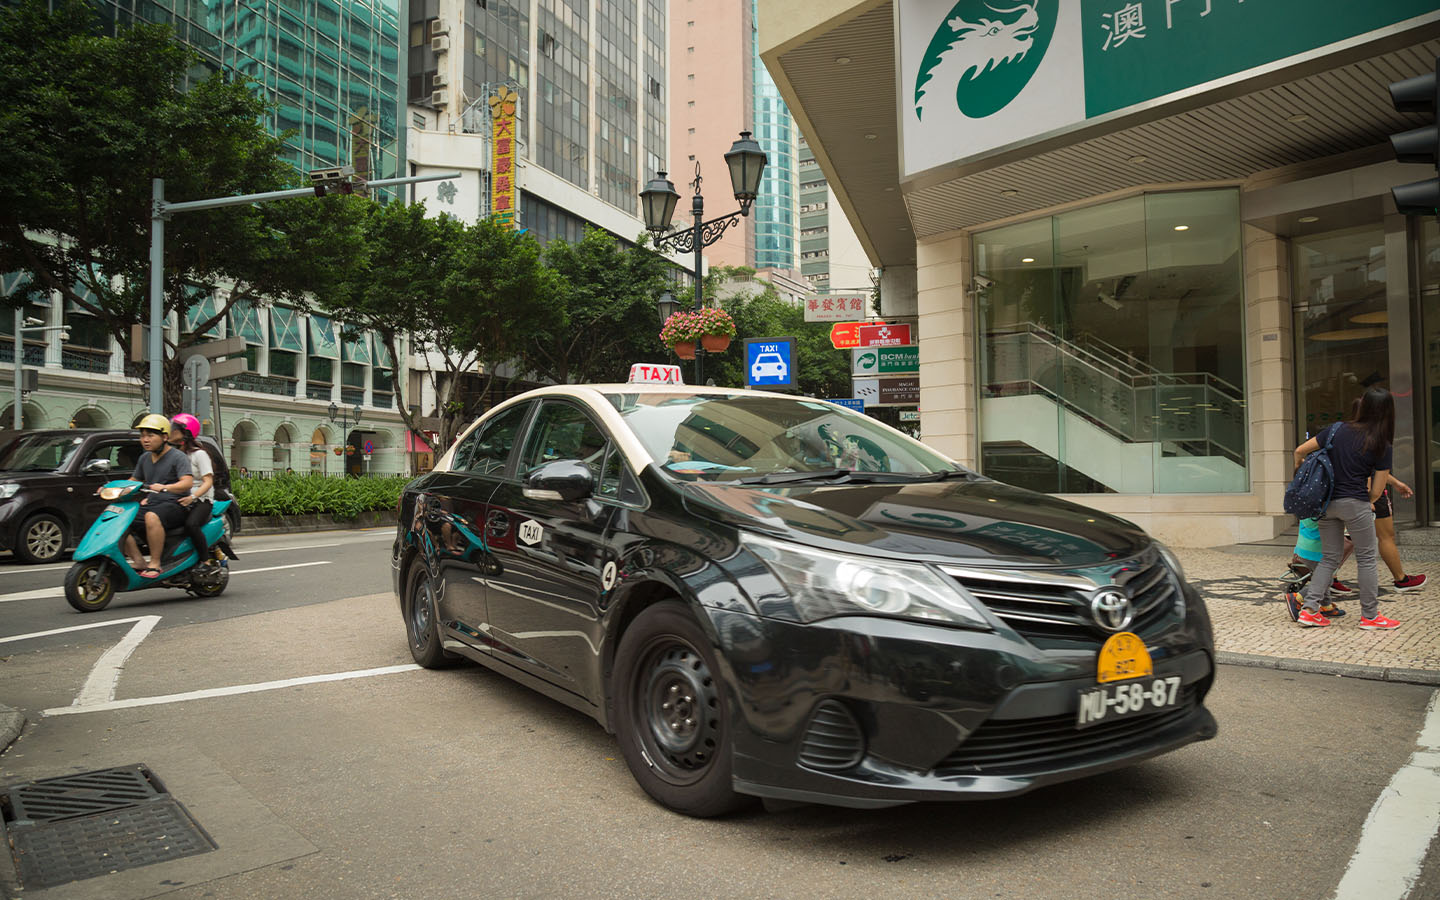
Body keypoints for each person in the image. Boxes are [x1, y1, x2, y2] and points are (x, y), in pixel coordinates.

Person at [1292, 387, 1399, 630]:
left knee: (1329, 558)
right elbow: (1376, 491)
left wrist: (1300, 470)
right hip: (1355, 502)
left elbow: (1299, 451)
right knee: (1367, 559)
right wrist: (1366, 501)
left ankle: (1309, 610)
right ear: (1387, 413)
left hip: (1325, 503)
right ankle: (1370, 616)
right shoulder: (1382, 443)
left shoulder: (1336, 429)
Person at [121, 414, 193, 578]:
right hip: (153, 504)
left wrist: (165, 488)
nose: (145, 439)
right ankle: (139, 561)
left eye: (150, 435)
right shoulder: (145, 458)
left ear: (165, 437)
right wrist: (115, 487)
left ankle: (155, 563)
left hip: (176, 504)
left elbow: (187, 482)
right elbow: (134, 480)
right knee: (120, 518)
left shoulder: (178, 456)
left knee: (151, 516)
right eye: (143, 436)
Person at [169, 413, 216, 573]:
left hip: (201, 500)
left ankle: (206, 561)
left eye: (174, 429)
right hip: (181, 497)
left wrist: (192, 497)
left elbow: (208, 482)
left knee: (191, 524)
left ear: (185, 433)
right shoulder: (174, 456)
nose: (170, 432)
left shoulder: (199, 455)